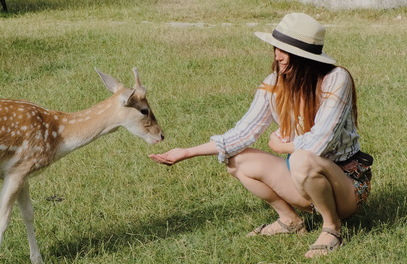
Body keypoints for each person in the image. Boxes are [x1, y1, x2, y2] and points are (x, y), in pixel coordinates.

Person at [149, 13, 373, 258]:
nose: (277, 55)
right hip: (302, 180)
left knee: (301, 159)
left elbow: (319, 143)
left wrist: (281, 147)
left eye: (285, 50)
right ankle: (289, 221)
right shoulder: (274, 84)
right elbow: (243, 133)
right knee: (235, 160)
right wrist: (187, 152)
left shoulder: (335, 79)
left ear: (305, 57)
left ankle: (332, 229)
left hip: (347, 187)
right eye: (276, 47)